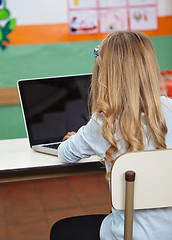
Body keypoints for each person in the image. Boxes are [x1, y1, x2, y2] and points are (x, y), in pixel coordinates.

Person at [50, 31, 172, 240]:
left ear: (105, 74)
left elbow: (64, 154)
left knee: (60, 230)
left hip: (129, 235)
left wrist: (74, 140)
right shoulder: (169, 107)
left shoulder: (104, 124)